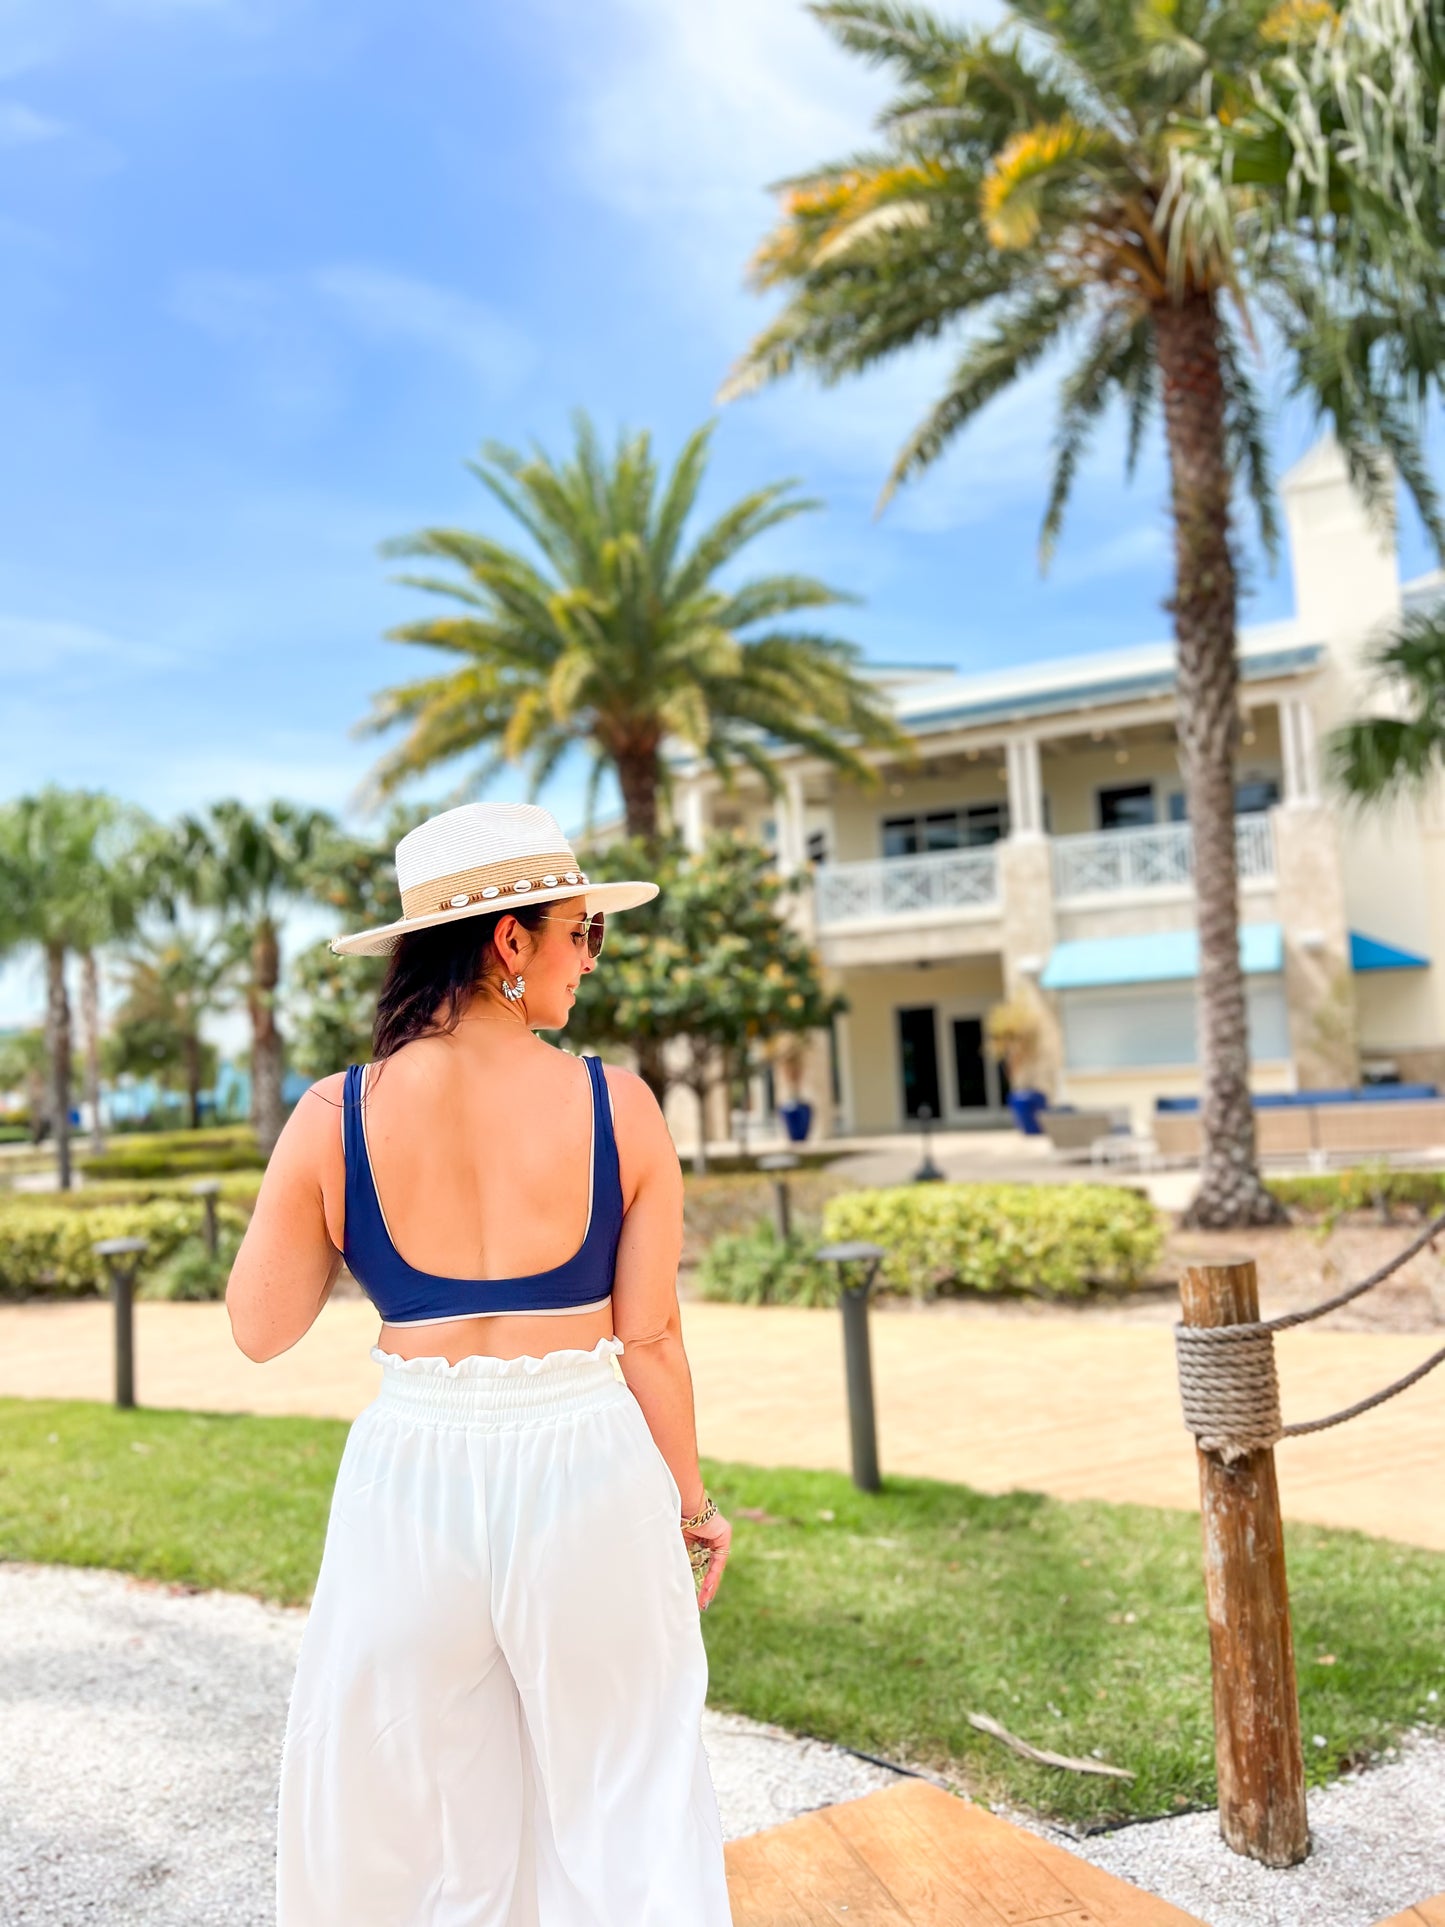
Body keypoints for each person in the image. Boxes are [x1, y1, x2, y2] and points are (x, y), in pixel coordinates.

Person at [225, 800, 734, 1926]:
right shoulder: (620, 1105)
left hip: (412, 1468)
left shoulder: (332, 1112)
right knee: (625, 1784)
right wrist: (691, 1503)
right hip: (588, 1464)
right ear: (511, 941)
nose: (589, 958)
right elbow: (647, 1338)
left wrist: (329, 1168)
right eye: (580, 932)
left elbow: (258, 1326)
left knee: (402, 1802)